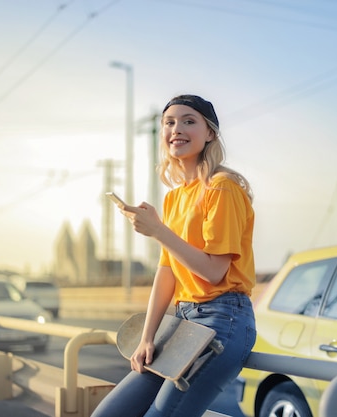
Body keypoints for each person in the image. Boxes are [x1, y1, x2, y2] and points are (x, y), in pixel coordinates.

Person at [91, 94, 257, 417]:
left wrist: (158, 231)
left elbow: (214, 272)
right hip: (182, 321)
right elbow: (167, 271)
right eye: (169, 122)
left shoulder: (222, 188)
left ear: (210, 133)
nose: (176, 129)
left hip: (223, 319)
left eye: (188, 121)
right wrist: (147, 338)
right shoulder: (173, 199)